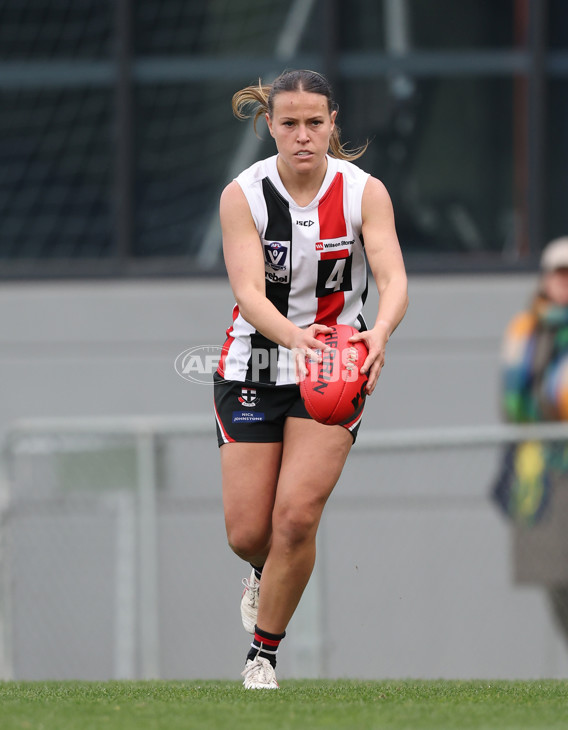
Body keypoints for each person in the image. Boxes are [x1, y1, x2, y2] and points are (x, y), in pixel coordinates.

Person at [213, 69, 408, 689]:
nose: (303, 136)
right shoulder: (242, 194)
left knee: (296, 517)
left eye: (315, 123)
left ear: (332, 126)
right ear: (270, 125)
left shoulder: (363, 192)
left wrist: (378, 333)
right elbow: (247, 291)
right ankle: (260, 569)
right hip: (257, 361)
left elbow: (393, 277)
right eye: (290, 123)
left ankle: (262, 656)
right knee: (250, 532)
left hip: (335, 367)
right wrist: (294, 338)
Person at [497, 236, 568, 644]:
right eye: (560, 274)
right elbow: (514, 403)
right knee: (554, 574)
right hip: (543, 471)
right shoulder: (525, 331)